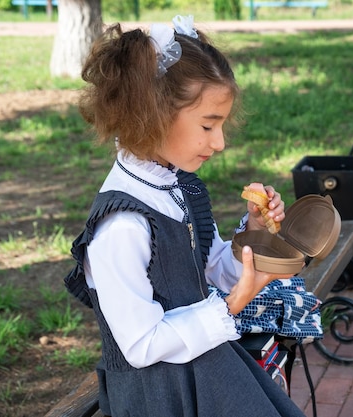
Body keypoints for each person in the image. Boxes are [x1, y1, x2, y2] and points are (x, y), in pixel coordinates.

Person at [64, 15, 307, 417]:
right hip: (160, 395)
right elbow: (141, 345)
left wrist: (253, 236)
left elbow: (207, 270)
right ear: (152, 114)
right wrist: (232, 305)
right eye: (209, 125)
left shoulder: (181, 186)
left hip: (205, 365)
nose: (221, 142)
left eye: (222, 125)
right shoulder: (122, 226)